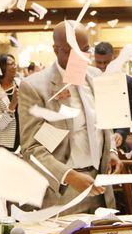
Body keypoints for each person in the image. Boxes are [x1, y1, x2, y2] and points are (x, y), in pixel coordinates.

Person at [18, 22, 123, 214]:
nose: (79, 58)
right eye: (71, 51)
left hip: (100, 185)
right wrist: (69, 176)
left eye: (84, 51)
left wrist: (113, 151)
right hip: (62, 189)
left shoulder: (96, 76)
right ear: (55, 49)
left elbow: (103, 123)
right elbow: (32, 149)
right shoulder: (34, 86)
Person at [93, 41, 132, 149]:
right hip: (93, 138)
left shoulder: (126, 81)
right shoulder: (88, 80)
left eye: (106, 62)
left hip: (116, 139)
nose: (103, 67)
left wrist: (121, 133)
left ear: (113, 58)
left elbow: (130, 110)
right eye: (99, 62)